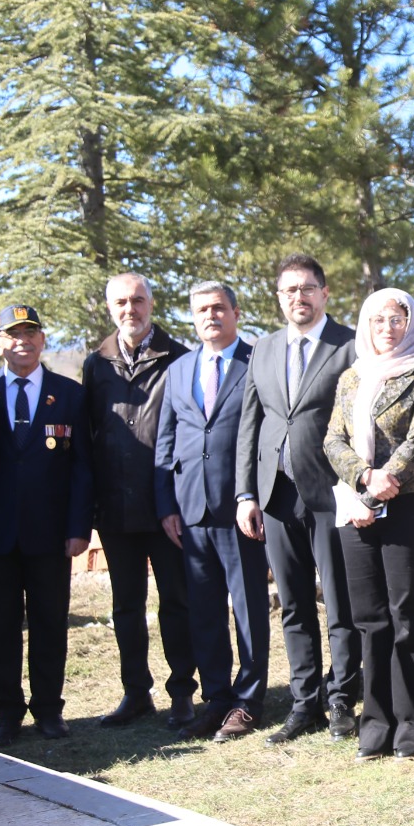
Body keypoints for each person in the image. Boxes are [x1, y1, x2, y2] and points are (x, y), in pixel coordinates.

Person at [235, 255, 360, 744]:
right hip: (276, 495)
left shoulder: (348, 345)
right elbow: (252, 424)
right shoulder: (262, 350)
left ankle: (342, 700)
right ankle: (304, 702)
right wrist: (246, 493)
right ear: (279, 297)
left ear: (325, 293)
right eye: (289, 290)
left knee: (339, 603)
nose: (298, 298)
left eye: (308, 288)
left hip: (331, 493)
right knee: (293, 604)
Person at [324, 288, 414, 760]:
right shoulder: (352, 377)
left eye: (396, 319)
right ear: (365, 326)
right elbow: (333, 439)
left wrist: (378, 485)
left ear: (409, 323)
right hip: (355, 508)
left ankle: (413, 721)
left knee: (405, 614)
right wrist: (361, 480)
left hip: (407, 504)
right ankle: (375, 721)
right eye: (377, 321)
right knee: (370, 619)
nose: (387, 328)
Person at [80, 273, 197, 729]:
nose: (131, 309)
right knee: (126, 605)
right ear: (111, 308)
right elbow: (89, 438)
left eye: (138, 300)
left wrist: (176, 501)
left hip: (166, 506)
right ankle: (135, 692)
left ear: (152, 303)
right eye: (122, 302)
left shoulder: (180, 359)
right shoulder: (97, 364)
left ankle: (183, 692)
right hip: (114, 507)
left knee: (177, 602)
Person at [0, 304, 93, 746]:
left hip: (51, 533)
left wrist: (79, 527)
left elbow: (83, 467)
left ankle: (49, 709)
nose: (23, 341)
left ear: (43, 340)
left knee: (49, 623)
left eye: (31, 333)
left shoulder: (69, 394)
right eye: (13, 334)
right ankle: (6, 712)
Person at [156, 281, 267, 742]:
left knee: (247, 610)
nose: (211, 316)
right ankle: (216, 698)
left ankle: (248, 700)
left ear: (235, 313)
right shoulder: (180, 369)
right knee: (203, 612)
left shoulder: (256, 361)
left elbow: (264, 435)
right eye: (202, 310)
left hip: (239, 507)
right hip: (190, 510)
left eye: (219, 308)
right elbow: (166, 440)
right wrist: (166, 505)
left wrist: (253, 495)